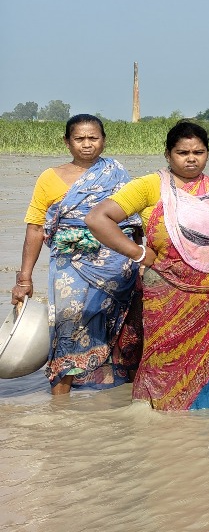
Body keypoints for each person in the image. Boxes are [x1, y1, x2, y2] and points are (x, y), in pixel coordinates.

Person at [87, 121, 209, 411]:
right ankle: (163, 425)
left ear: (207, 153)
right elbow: (97, 218)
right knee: (166, 359)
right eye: (183, 152)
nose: (191, 158)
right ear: (168, 154)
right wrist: (137, 253)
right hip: (168, 293)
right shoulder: (151, 185)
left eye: (199, 152)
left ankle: (208, 422)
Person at [11, 114, 140, 394]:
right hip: (69, 263)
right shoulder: (49, 177)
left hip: (116, 264)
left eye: (93, 138)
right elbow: (35, 228)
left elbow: (132, 222)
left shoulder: (116, 172)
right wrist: (24, 279)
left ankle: (108, 397)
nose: (87, 145)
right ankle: (60, 401)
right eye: (79, 139)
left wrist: (142, 262)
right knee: (67, 323)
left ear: (104, 141)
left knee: (116, 324)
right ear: (67, 142)